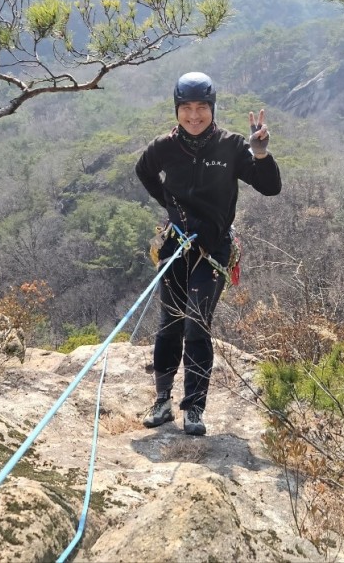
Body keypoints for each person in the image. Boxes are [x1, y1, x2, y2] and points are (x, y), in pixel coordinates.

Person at [135, 72, 282, 435]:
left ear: (212, 109)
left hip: (213, 249)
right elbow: (144, 171)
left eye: (202, 107)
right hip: (176, 244)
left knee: (196, 324)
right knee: (170, 322)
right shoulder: (163, 147)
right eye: (187, 108)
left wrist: (260, 153)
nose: (194, 116)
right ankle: (163, 401)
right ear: (177, 109)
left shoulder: (231, 146)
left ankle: (194, 408)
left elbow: (270, 187)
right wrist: (170, 207)